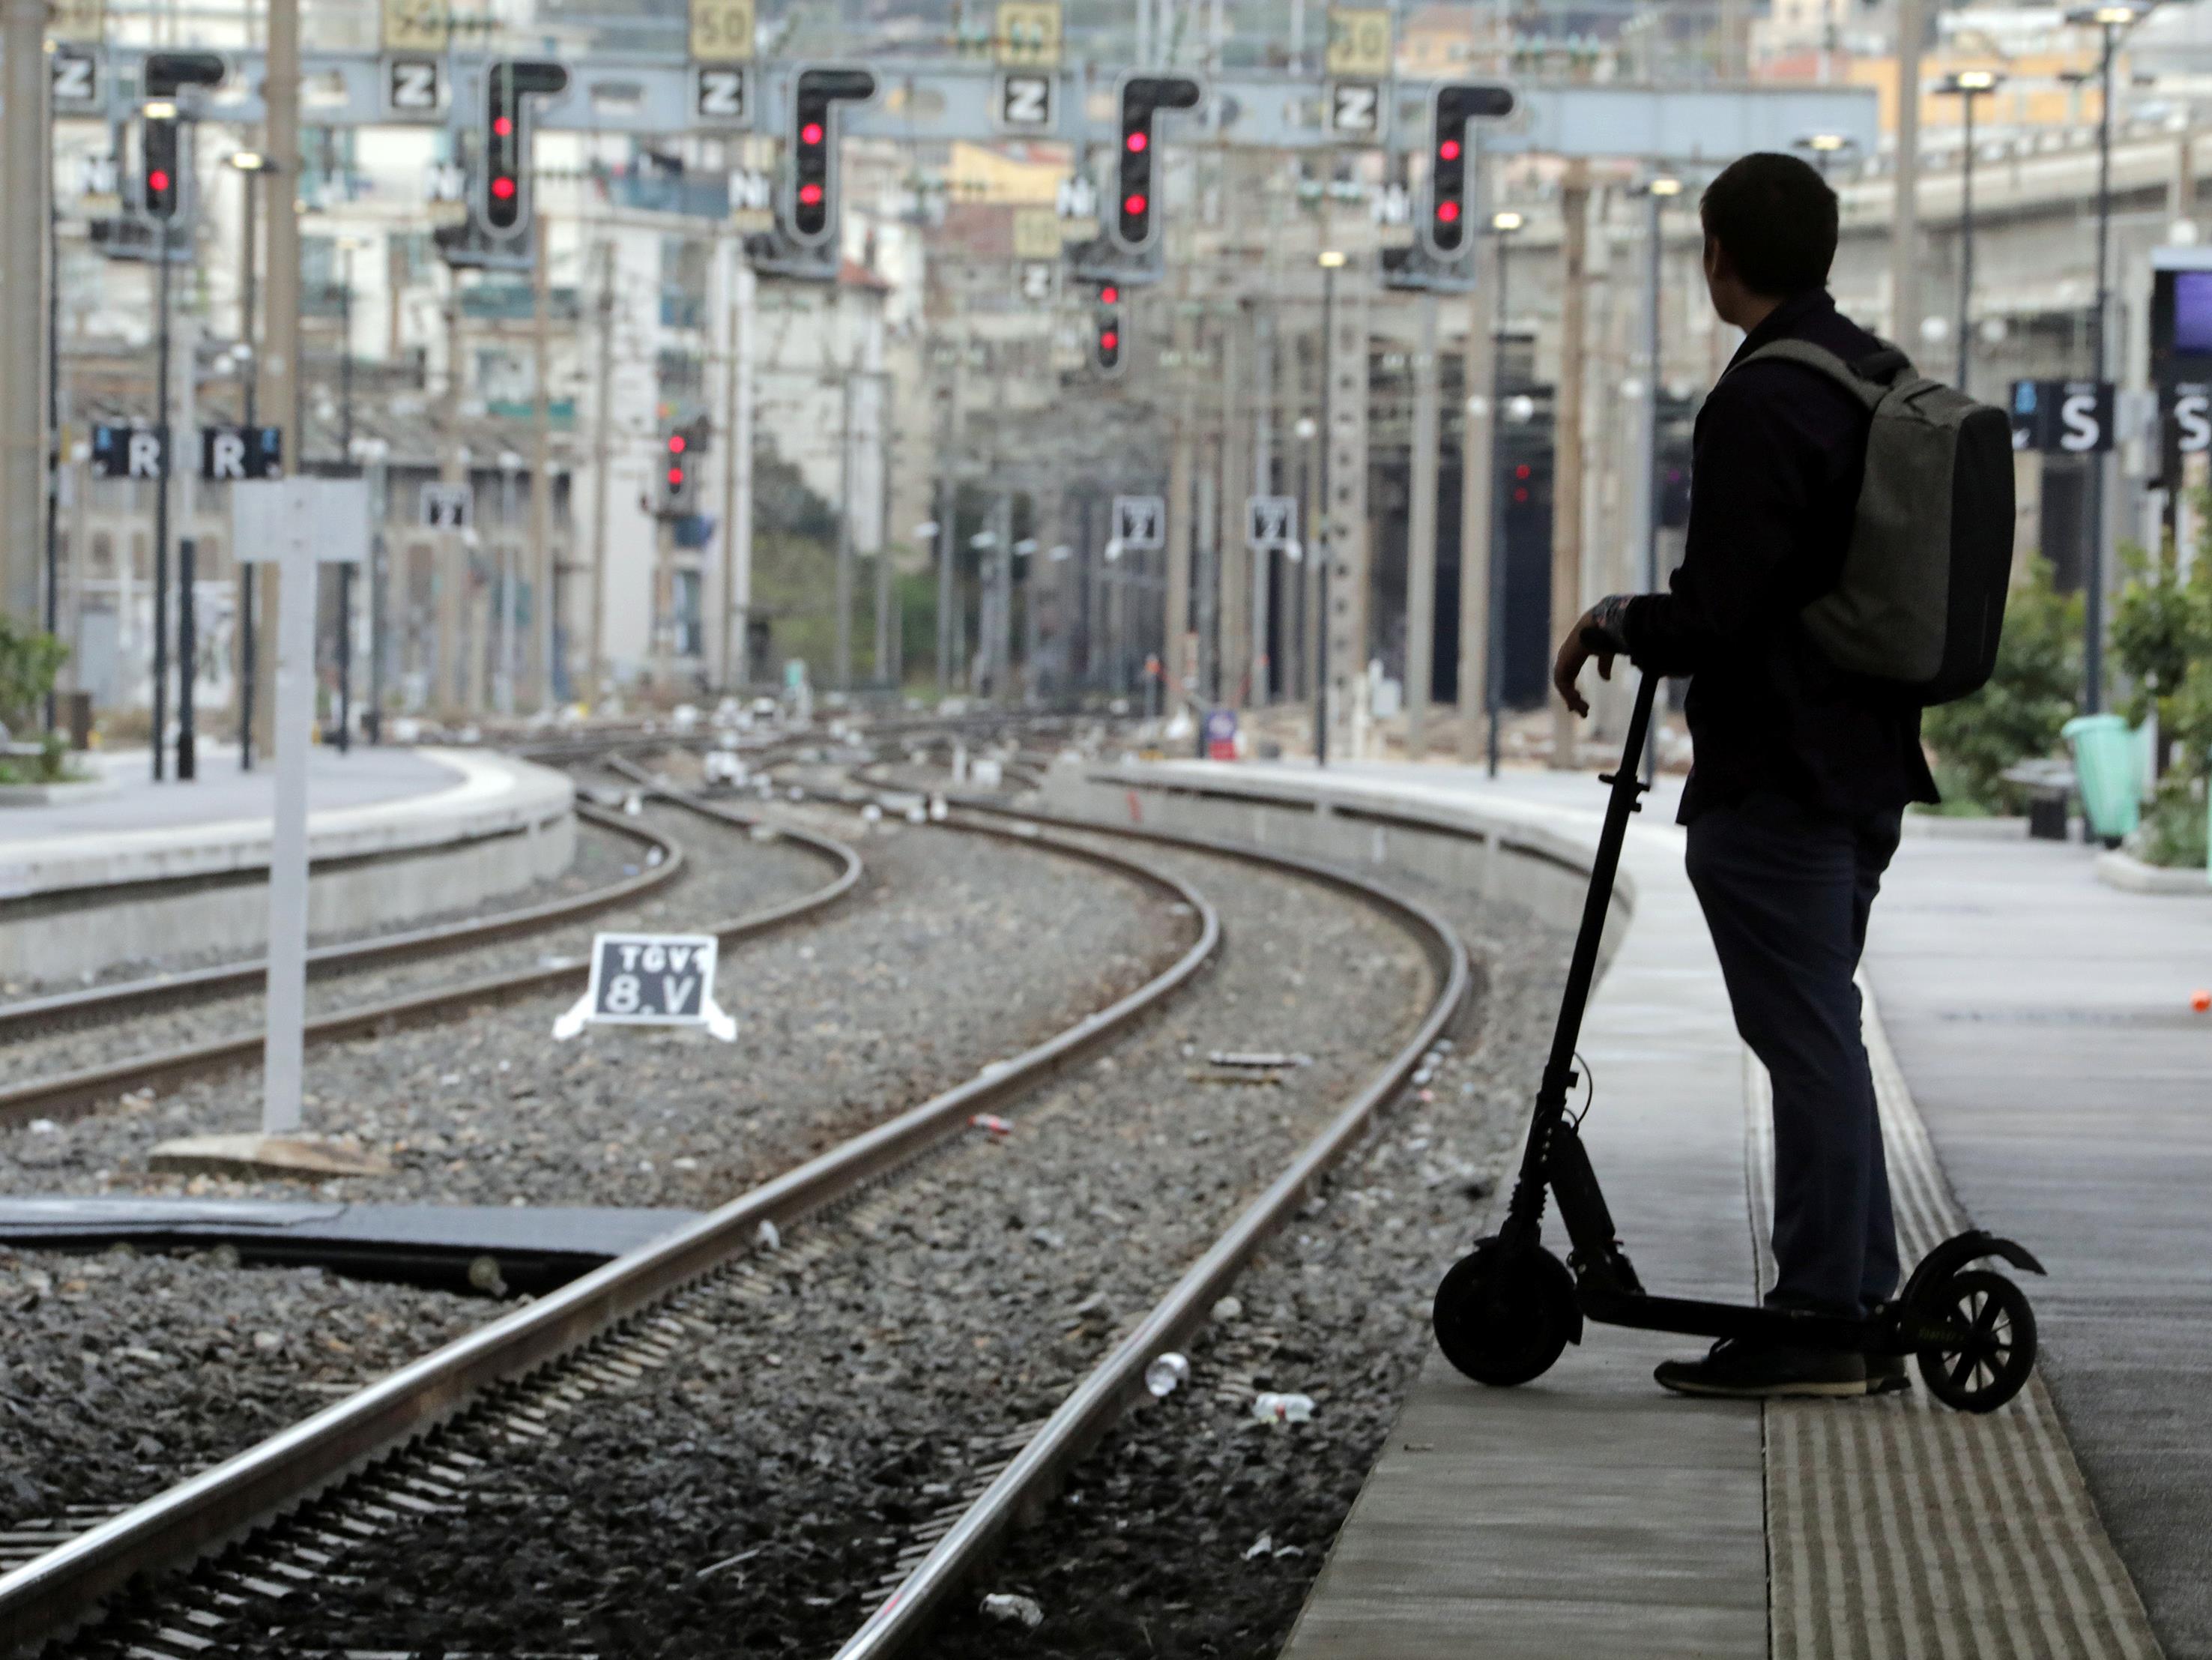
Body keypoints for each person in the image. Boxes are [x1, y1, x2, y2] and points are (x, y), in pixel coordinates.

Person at [1551, 151, 1936, 1400]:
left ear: (1716, 255)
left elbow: (1721, 611)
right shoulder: (1869, 374)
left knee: (1809, 1036)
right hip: (1865, 764)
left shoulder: (1764, 398)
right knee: (1821, 1028)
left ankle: (1826, 1313)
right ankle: (1846, 1296)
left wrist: (1615, 616)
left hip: (1780, 772)